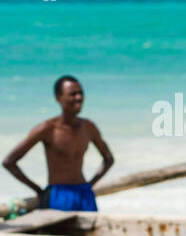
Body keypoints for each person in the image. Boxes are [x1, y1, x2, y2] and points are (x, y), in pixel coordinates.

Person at [4, 76, 114, 211]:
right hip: (58, 195)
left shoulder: (88, 127)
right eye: (72, 94)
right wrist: (38, 190)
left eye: (81, 93)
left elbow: (108, 159)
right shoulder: (48, 128)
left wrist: (90, 184)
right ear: (58, 98)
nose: (78, 97)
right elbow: (9, 162)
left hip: (84, 193)